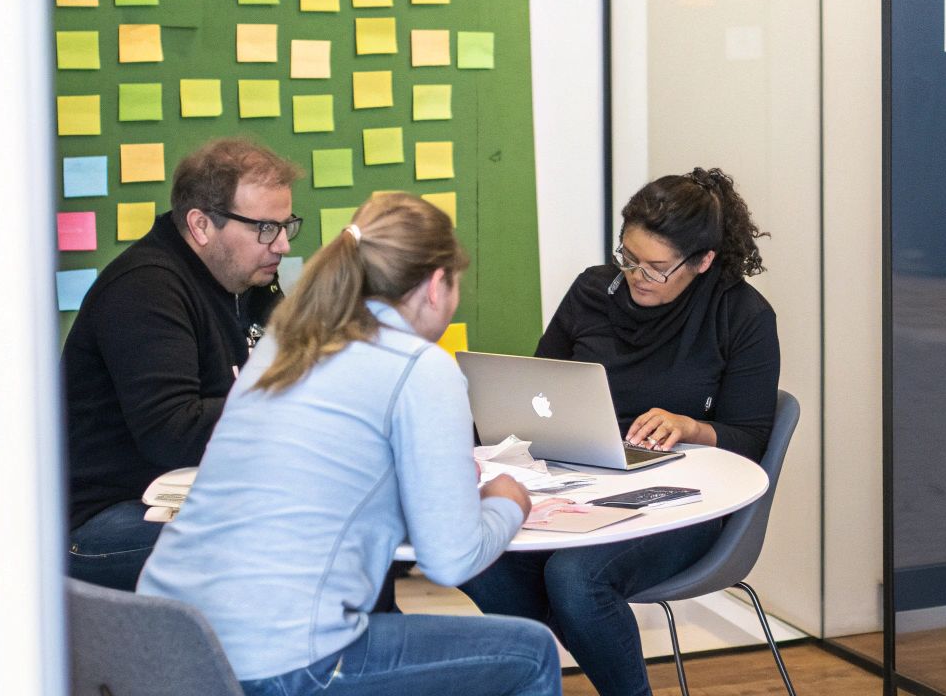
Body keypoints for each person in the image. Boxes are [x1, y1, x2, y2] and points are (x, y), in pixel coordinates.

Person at [139, 193, 560, 696]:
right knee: (529, 652)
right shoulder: (420, 367)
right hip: (278, 660)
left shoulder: (284, 343)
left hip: (167, 644)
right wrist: (507, 502)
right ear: (435, 285)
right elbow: (451, 560)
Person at [458, 167, 780, 696]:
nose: (635, 275)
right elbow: (541, 388)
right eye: (627, 257)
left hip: (687, 503)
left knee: (576, 579)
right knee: (477, 553)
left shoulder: (740, 315)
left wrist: (693, 427)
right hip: (581, 481)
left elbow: (751, 441)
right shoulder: (591, 290)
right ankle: (549, 673)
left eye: (656, 268)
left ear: (702, 262)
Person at [63, 137, 300, 591]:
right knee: (285, 545)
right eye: (266, 229)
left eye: (287, 225)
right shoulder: (146, 290)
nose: (283, 245)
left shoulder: (249, 281)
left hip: (194, 495)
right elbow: (175, 433)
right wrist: (290, 399)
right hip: (103, 517)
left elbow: (294, 380)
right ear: (201, 225)